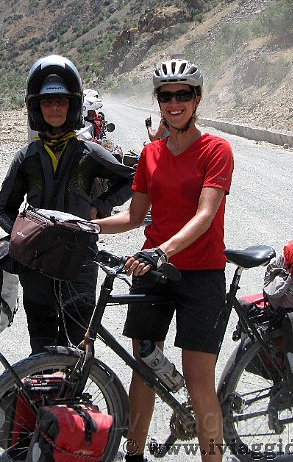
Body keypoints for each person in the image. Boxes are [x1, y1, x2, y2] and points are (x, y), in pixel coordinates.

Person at [95, 58, 233, 462]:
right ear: (158, 101)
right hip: (154, 273)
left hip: (201, 274)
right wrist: (87, 226)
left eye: (183, 95)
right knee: (144, 369)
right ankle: (134, 454)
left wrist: (160, 252)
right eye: (166, 96)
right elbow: (134, 217)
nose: (174, 103)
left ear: (197, 99)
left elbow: (205, 216)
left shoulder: (216, 150)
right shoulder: (151, 154)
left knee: (197, 379)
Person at [0, 55, 134, 354]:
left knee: (78, 344)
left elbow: (131, 180)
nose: (55, 108)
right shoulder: (26, 158)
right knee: (42, 347)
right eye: (47, 102)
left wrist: (100, 205)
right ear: (37, 107)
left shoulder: (90, 153)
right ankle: (43, 401)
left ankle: (77, 398)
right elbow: (2, 209)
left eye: (61, 101)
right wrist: (24, 234)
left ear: (72, 105)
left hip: (80, 262)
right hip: (36, 264)